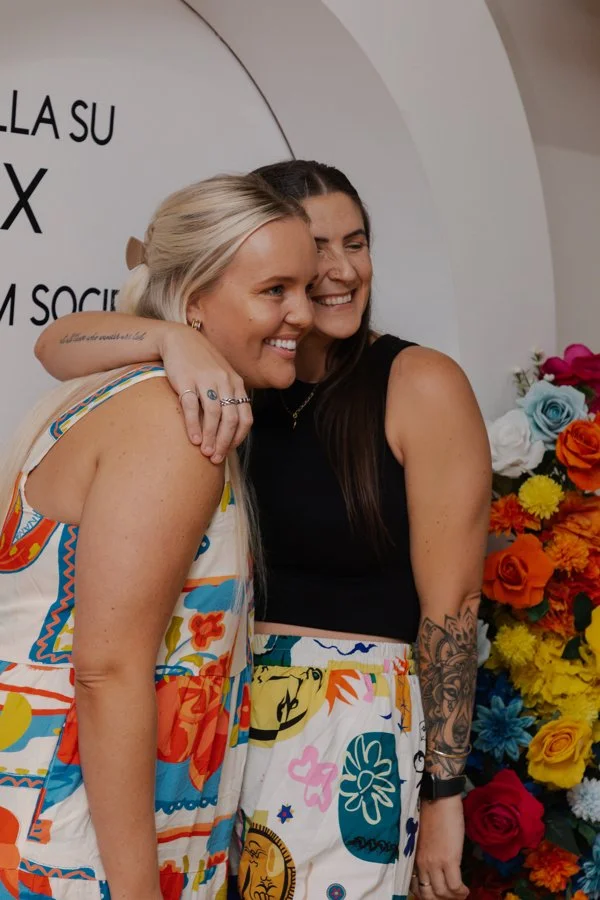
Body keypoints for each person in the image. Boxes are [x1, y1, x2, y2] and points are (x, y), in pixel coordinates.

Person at [35, 160, 492, 900]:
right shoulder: (232, 372)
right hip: (216, 716)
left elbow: (454, 608)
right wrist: (172, 341)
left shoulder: (418, 381)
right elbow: (56, 344)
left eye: (357, 242)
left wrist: (444, 793)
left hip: (348, 731)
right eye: (314, 252)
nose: (340, 270)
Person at [0, 173, 317, 900]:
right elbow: (107, 674)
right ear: (195, 300)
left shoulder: (127, 389)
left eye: (306, 286)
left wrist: (171, 336)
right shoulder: (173, 423)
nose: (303, 313)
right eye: (274, 290)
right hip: (77, 842)